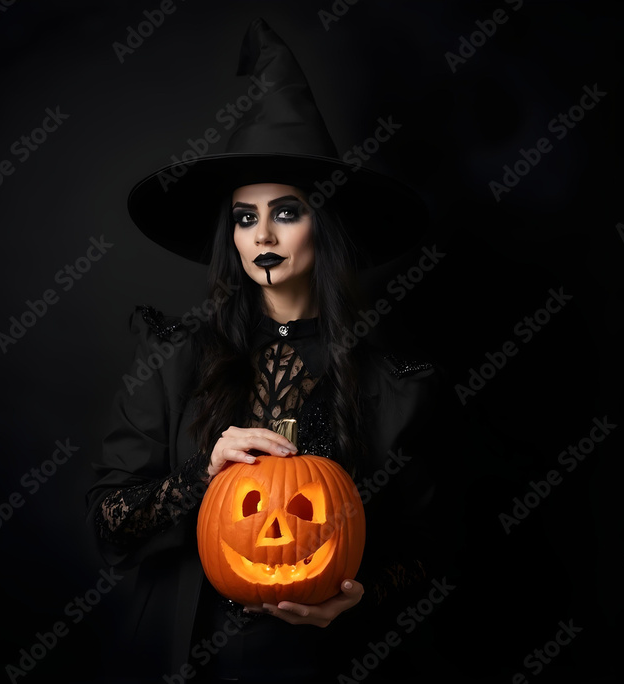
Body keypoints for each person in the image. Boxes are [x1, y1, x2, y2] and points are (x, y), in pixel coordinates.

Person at [86, 18, 447, 683]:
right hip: (189, 655)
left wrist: (360, 597)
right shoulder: (175, 358)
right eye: (245, 217)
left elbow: (429, 550)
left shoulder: (391, 384)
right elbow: (111, 525)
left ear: (324, 224)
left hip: (326, 661)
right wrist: (202, 474)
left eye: (287, 211)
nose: (262, 235)